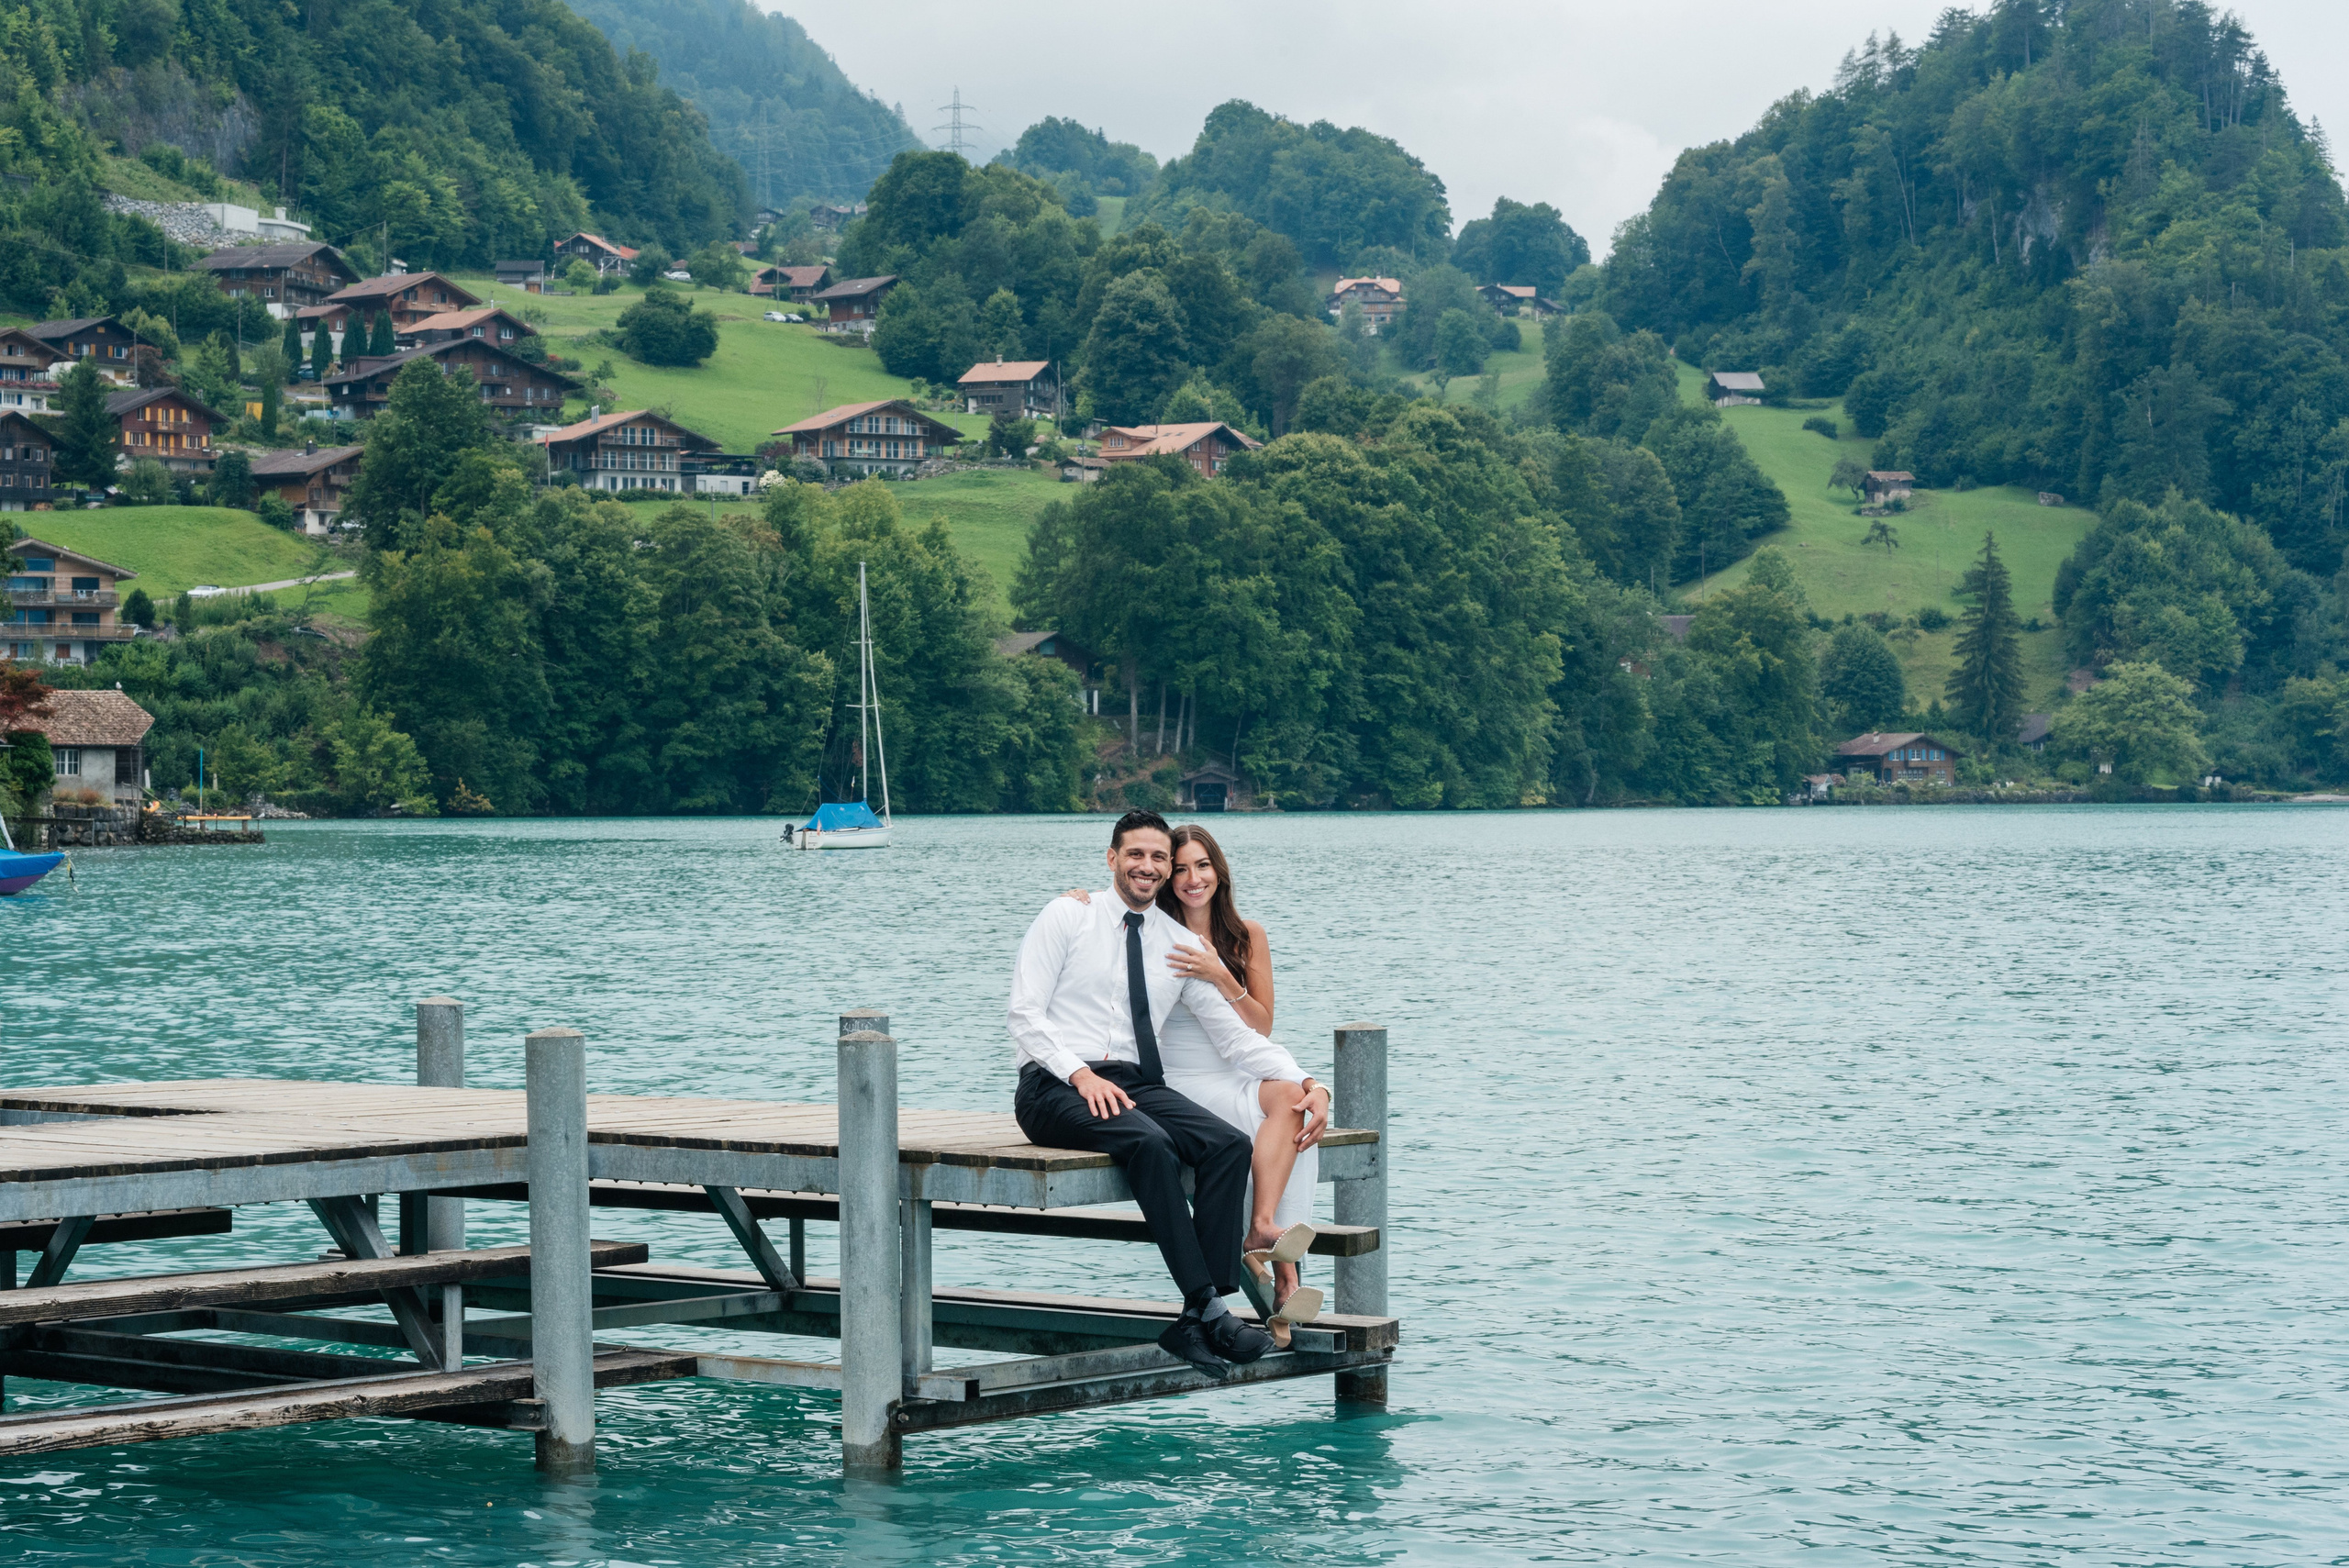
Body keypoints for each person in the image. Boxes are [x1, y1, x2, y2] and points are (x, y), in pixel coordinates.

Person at [1008, 809, 1323, 1377]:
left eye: (1158, 858)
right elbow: (1025, 1015)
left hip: (1133, 1081)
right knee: (1151, 1144)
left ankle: (1191, 1319)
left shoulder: (1176, 943)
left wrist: (1307, 1082)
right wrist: (1080, 1075)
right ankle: (1211, 1307)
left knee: (1225, 1145)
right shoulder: (1067, 916)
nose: (1147, 867)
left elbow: (1237, 1039)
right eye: (1136, 854)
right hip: (1053, 1083)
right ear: (1112, 858)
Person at [1063, 825, 1329, 1313]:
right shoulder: (1153, 932)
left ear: (1218, 870)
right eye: (1180, 868)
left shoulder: (1246, 935)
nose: (1191, 878)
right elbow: (1108, 910)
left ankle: (1262, 1230)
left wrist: (1221, 975)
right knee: (1251, 1130)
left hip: (1237, 1063)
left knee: (1293, 1103)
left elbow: (1258, 1029)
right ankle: (1284, 1276)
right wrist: (1075, 901)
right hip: (1177, 1078)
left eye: (1202, 865)